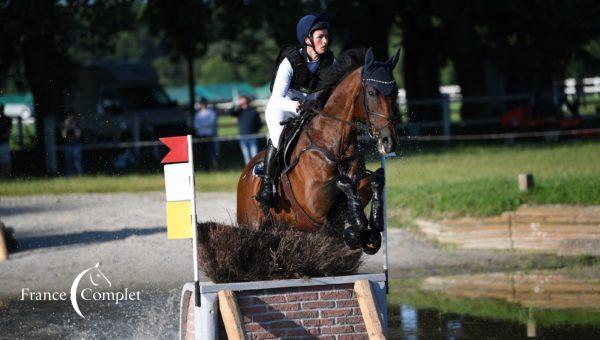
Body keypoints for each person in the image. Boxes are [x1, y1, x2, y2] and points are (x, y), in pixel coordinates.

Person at [257, 12, 334, 206]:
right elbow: (276, 98)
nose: (325, 41)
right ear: (307, 39)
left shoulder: (329, 60)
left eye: (326, 36)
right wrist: (296, 105)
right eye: (320, 37)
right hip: (283, 105)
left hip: (311, 106)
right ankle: (267, 184)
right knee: (279, 136)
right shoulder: (290, 61)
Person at [230, 96, 263, 165]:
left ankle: (255, 170)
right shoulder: (239, 112)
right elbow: (231, 112)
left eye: (245, 102)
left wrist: (254, 130)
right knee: (246, 156)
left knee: (255, 155)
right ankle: (248, 171)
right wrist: (237, 104)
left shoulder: (253, 111)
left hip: (253, 136)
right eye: (242, 103)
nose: (244, 104)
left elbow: (260, 124)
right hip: (243, 137)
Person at [194, 97, 218, 171]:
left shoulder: (211, 113)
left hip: (209, 135)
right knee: (204, 153)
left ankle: (215, 168)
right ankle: (206, 168)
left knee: (212, 153)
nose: (203, 105)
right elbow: (196, 125)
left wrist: (202, 126)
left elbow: (211, 123)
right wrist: (204, 126)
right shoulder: (198, 114)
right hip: (201, 135)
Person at [0, 103, 12, 178]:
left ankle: (7, 176)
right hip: (3, 142)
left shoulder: (7, 119)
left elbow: (8, 131)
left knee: (5, 161)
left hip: (4, 142)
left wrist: (2, 137)